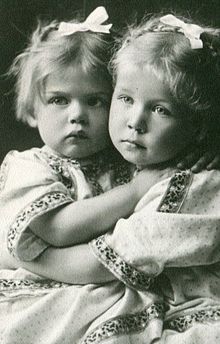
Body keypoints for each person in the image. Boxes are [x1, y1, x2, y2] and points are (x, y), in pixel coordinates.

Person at [0, 9, 220, 344]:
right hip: (63, 282)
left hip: (116, 287)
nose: (77, 116)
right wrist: (133, 193)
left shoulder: (134, 161)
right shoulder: (29, 166)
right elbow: (56, 228)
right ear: (32, 109)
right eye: (59, 100)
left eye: (95, 101)